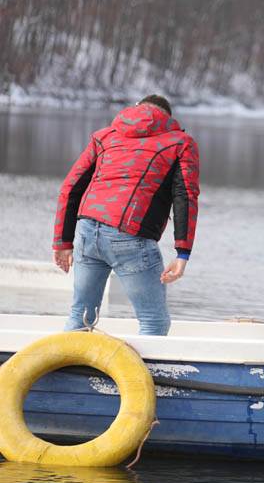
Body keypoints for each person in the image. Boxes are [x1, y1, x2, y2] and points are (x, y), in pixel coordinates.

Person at [52, 95, 201, 336]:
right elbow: (186, 196)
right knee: (154, 322)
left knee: (81, 316)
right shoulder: (180, 143)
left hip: (87, 232)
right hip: (130, 236)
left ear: (135, 109)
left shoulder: (104, 136)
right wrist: (182, 252)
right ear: (168, 118)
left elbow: (70, 188)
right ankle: (144, 376)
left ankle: (64, 372)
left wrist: (62, 241)